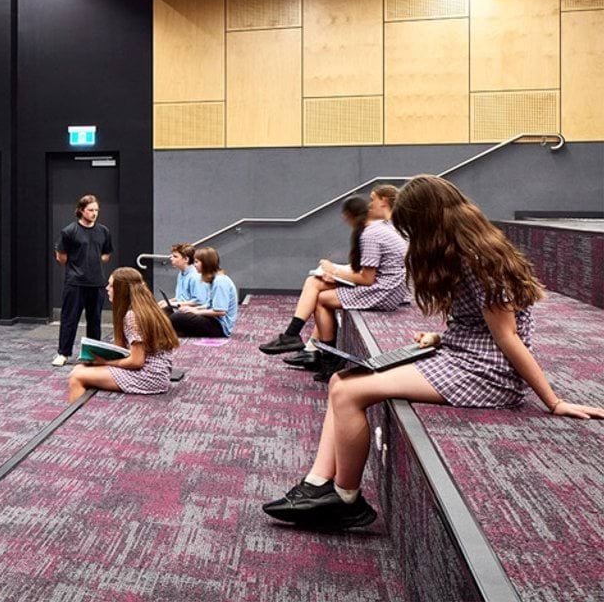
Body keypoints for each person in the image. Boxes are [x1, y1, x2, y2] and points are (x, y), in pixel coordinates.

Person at [262, 174, 604, 532]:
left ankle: (345, 499)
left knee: (349, 392)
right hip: (462, 355)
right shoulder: (465, 251)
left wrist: (552, 400)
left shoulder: (480, 260)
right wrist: (440, 338)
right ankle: (317, 484)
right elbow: (483, 325)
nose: (410, 236)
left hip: (487, 374)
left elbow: (508, 338)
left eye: (411, 226)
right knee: (340, 379)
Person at [260, 188, 408, 376]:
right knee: (316, 282)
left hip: (384, 292)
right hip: (389, 287)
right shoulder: (383, 228)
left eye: (372, 200)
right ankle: (300, 341)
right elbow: (370, 271)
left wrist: (335, 270)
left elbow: (367, 279)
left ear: (384, 201)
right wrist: (336, 273)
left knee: (321, 298)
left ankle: (324, 355)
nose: (369, 205)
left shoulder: (371, 233)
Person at [67, 268, 180, 401]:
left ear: (122, 290)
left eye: (111, 285)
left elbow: (136, 361)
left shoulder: (132, 317)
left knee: (77, 376)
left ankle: (78, 419)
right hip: (159, 372)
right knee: (80, 368)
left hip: (149, 376)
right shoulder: (146, 308)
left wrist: (106, 361)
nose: (107, 288)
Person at [52, 194, 115, 367]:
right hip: (75, 282)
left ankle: (93, 354)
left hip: (96, 283)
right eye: (90, 210)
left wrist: (93, 259)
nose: (94, 213)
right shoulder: (69, 231)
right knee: (69, 319)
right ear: (81, 210)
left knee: (94, 320)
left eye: (96, 210)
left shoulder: (103, 231)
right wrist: (80, 263)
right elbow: (61, 257)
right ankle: (63, 353)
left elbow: (106, 254)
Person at [168, 247, 238, 338]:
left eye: (197, 262)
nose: (194, 265)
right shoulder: (214, 279)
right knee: (179, 315)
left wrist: (196, 311)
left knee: (176, 318)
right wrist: (193, 310)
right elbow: (209, 305)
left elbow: (220, 311)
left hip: (220, 327)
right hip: (213, 320)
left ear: (206, 263)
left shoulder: (220, 282)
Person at [160, 242, 201, 311]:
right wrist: (169, 301)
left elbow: (198, 301)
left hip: (190, 311)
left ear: (186, 259)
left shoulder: (195, 276)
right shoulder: (181, 274)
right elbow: (181, 297)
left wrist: (172, 304)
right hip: (180, 308)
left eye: (175, 256)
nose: (171, 258)